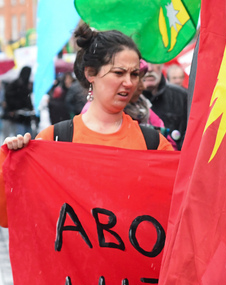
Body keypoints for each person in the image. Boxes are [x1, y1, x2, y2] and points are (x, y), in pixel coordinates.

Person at [1, 24, 173, 226]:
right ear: (91, 73)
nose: (129, 82)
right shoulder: (55, 139)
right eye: (119, 73)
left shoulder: (154, 144)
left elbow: (176, 213)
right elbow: (11, 213)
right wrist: (12, 161)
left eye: (134, 74)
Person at [142, 62, 188, 149]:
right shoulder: (127, 99)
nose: (149, 68)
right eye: (143, 62)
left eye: (154, 61)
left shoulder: (182, 96)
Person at [2, 66, 35, 139]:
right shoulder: (17, 85)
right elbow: (10, 98)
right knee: (20, 137)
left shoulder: (24, 84)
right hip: (18, 116)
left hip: (24, 116)